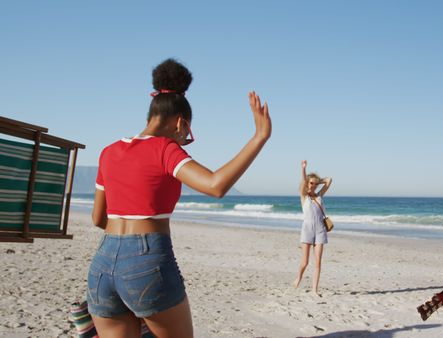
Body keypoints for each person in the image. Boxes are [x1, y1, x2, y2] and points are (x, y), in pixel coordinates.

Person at [88, 58, 271, 338]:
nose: (185, 140)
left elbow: (98, 218)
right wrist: (260, 136)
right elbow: (215, 185)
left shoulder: (108, 152)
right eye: (187, 134)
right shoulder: (165, 149)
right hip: (147, 262)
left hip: (101, 264)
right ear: (180, 123)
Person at [293, 160, 332, 296]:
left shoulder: (319, 196)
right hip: (307, 229)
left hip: (320, 229)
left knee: (318, 262)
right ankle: (299, 276)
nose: (314, 186)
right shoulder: (304, 196)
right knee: (305, 262)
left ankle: (315, 290)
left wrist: (318, 181)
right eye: (311, 183)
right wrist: (304, 170)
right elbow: (304, 182)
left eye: (315, 184)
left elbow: (329, 180)